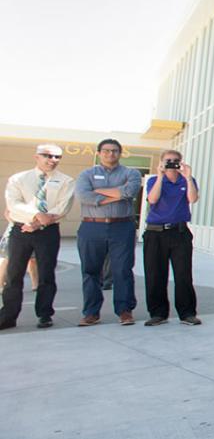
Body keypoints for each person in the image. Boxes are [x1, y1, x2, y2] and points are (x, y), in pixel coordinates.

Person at [1, 145, 75, 330]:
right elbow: (13, 204)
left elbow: (63, 208)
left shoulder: (66, 181)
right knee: (13, 275)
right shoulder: (18, 179)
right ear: (36, 156)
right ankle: (8, 316)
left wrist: (39, 222)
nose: (53, 160)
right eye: (47, 156)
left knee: (46, 274)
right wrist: (35, 214)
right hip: (21, 230)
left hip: (47, 232)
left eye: (57, 157)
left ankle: (44, 314)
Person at [75, 138, 142, 326]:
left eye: (114, 151)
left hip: (122, 226)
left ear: (120, 153)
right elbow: (83, 196)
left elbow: (130, 192)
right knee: (90, 270)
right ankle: (91, 312)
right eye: (106, 151)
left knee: (122, 270)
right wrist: (116, 194)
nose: (110, 154)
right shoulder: (86, 174)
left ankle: (124, 311)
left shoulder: (131, 173)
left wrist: (99, 192)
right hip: (91, 226)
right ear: (98, 153)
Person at [142, 150, 201, 326]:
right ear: (161, 162)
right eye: (168, 161)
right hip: (156, 233)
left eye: (176, 161)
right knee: (155, 274)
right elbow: (152, 199)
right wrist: (160, 176)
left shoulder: (186, 180)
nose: (172, 163)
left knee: (183, 274)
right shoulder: (154, 180)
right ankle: (158, 313)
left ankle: (187, 313)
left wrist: (188, 177)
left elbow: (192, 198)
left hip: (179, 233)